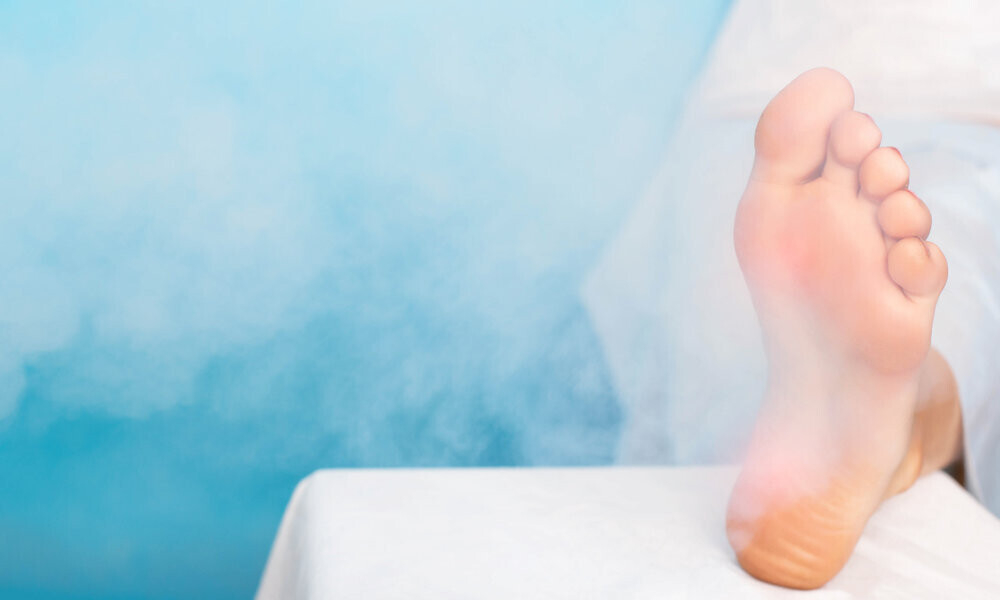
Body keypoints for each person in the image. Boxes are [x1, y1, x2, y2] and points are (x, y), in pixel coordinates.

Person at [583, 0, 1000, 590]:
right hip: (967, 85)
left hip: (779, 72)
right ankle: (901, 423)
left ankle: (863, 428)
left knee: (729, 311)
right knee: (965, 268)